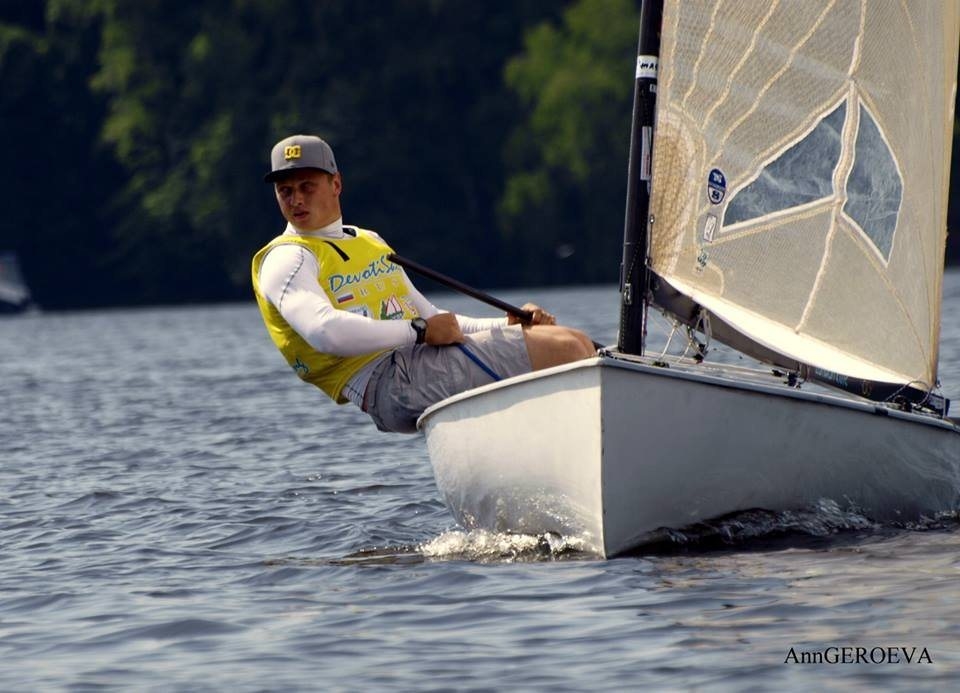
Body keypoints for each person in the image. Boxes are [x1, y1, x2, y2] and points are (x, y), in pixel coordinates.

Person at [252, 134, 595, 433]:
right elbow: (325, 332)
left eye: (307, 187)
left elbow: (434, 318)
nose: (296, 200)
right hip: (385, 383)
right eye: (285, 191)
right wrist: (417, 331)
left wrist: (508, 324)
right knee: (565, 350)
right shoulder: (286, 259)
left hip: (418, 359)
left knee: (576, 341)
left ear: (336, 184)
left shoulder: (368, 240)